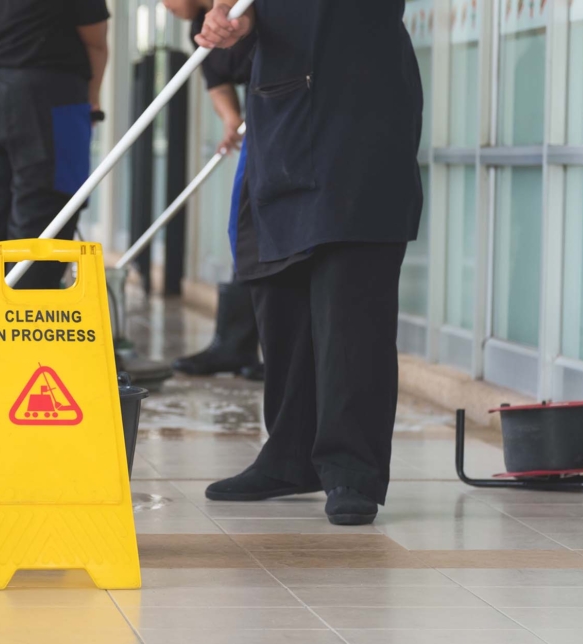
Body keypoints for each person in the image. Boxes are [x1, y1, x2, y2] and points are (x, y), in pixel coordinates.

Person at [195, 1, 424, 526]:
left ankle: (351, 469)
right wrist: (229, 20)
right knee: (278, 288)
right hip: (283, 105)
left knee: (351, 300)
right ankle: (290, 455)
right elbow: (243, 8)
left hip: (361, 107)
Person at [0, 0, 110, 322]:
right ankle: (25, 348)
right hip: (50, 98)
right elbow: (95, 41)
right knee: (40, 230)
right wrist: (92, 98)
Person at [163, 0, 262, 382]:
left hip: (287, 113)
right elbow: (216, 81)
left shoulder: (249, 8)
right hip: (259, 119)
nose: (164, 7)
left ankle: (272, 348)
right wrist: (232, 120)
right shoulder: (199, 30)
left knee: (256, 225)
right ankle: (237, 343)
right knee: (246, 230)